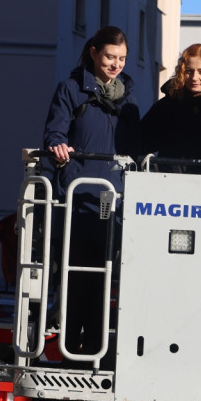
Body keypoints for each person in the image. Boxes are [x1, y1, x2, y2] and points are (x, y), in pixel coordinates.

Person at [43, 26, 141, 356]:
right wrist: (58, 146)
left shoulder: (129, 100)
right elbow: (55, 131)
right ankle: (71, 350)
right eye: (111, 57)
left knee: (104, 282)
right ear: (94, 53)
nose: (116, 65)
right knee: (76, 280)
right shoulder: (72, 89)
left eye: (122, 59)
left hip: (112, 204)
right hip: (78, 199)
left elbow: (138, 148)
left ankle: (96, 353)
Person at [140, 43, 201, 161]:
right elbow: (142, 143)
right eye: (189, 71)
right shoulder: (166, 106)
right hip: (169, 177)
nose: (194, 77)